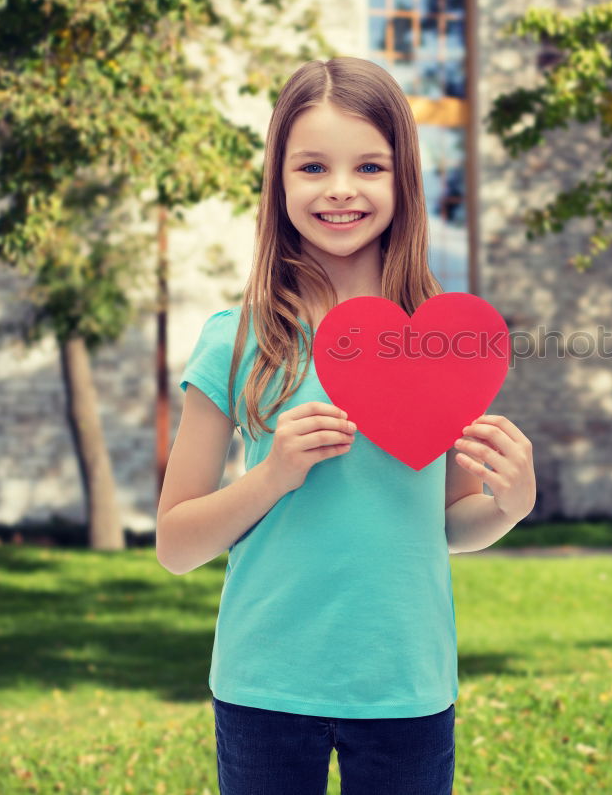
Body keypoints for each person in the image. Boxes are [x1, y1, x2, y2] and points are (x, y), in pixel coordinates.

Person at [156, 57, 536, 795]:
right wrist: (272, 475)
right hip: (265, 684)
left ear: (404, 183)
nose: (339, 188)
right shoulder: (235, 339)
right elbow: (175, 543)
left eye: (368, 165)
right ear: (279, 182)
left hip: (406, 685)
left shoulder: (444, 343)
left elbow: (448, 523)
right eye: (311, 166)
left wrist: (509, 505)